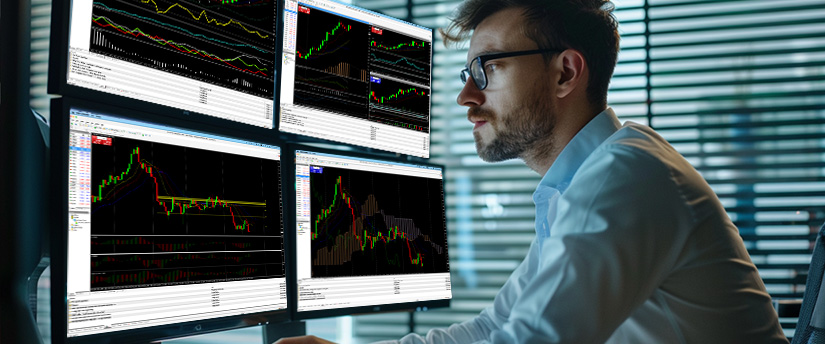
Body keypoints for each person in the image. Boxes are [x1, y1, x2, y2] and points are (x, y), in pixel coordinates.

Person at [278, 0, 788, 342]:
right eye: (466, 72)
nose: (466, 97)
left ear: (565, 72)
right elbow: (495, 326)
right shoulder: (582, 182)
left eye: (488, 68)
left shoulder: (627, 175)